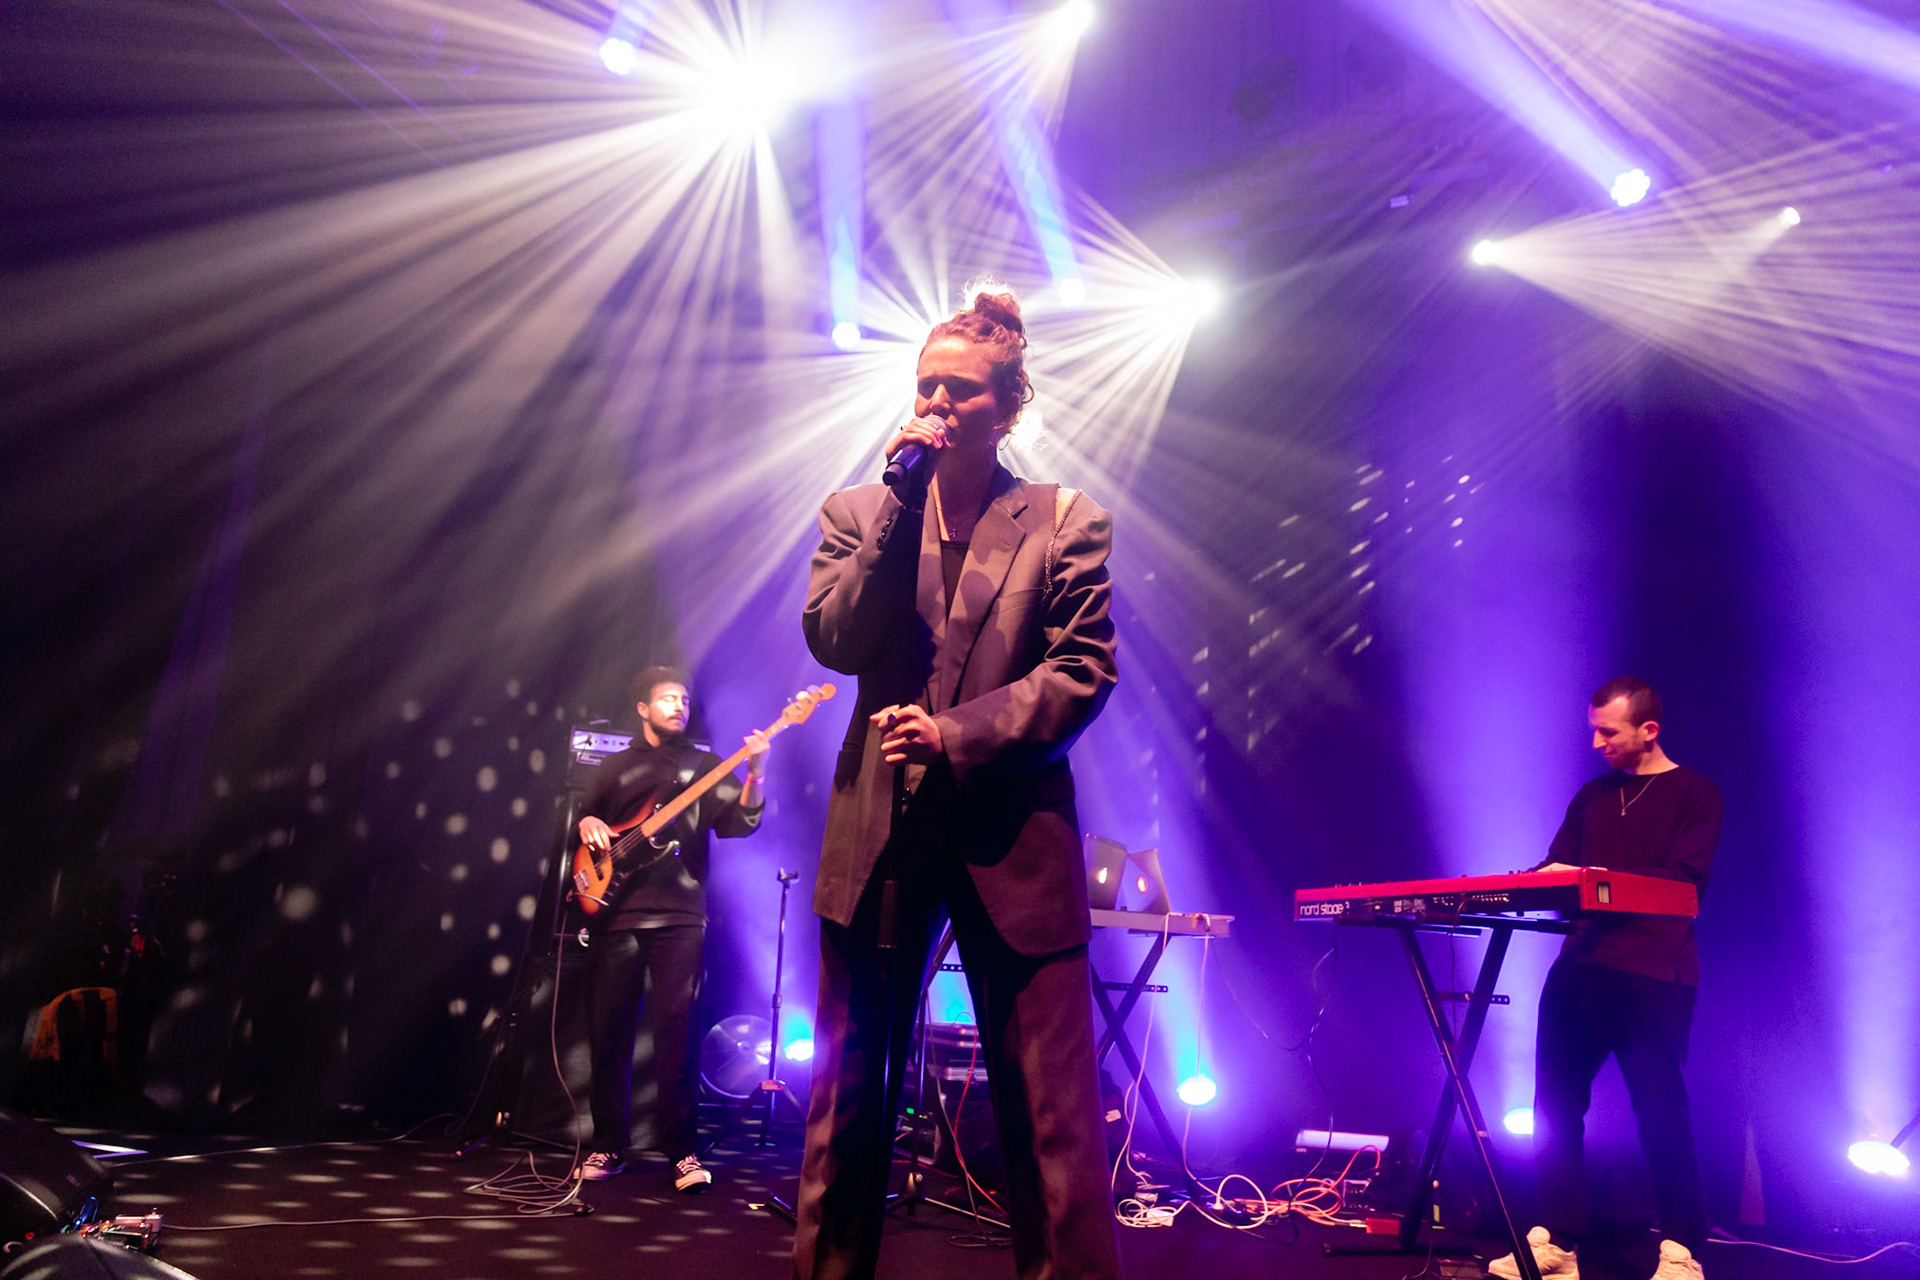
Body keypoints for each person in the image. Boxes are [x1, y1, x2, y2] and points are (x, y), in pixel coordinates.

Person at [791, 288, 1122, 1280]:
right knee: (847, 1101)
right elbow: (835, 637)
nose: (935, 402)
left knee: (1051, 1112)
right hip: (879, 832)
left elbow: (1082, 671)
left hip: (1009, 831)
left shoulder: (1065, 521)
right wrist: (899, 498)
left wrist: (954, 732)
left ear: (1007, 405)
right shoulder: (859, 510)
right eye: (925, 384)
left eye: (959, 389)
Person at [1492, 677, 1722, 1280]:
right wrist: (1532, 880)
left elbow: (1682, 882)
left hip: (1654, 974)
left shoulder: (1696, 793)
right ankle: (1559, 1242)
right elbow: (1557, 868)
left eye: (1608, 731)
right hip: (1581, 969)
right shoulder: (1593, 795)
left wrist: (1590, 874)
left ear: (1649, 730)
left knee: (1660, 1111)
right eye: (1593, 729)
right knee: (1555, 1106)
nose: (1596, 742)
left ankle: (1681, 1251)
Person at [573, 666, 769, 1192]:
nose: (679, 706)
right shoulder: (613, 767)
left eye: (683, 699)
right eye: (667, 699)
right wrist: (586, 823)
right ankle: (607, 1144)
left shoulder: (702, 765)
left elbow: (739, 824)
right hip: (616, 913)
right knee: (608, 1031)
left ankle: (682, 1151)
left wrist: (756, 772)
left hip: (681, 914)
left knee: (678, 1034)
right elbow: (588, 820)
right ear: (643, 708)